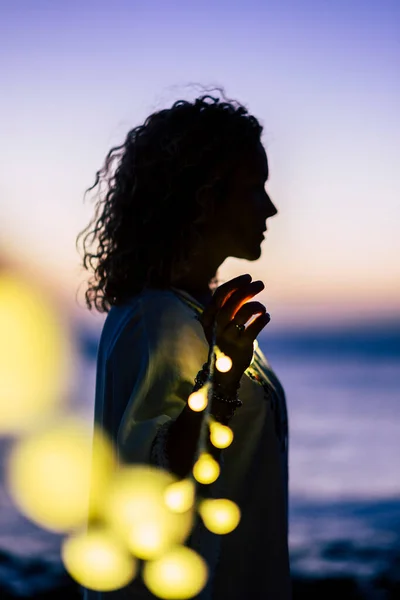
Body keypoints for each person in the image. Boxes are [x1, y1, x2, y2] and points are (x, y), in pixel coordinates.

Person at [77, 88, 291, 599]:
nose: (271, 208)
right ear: (203, 196)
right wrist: (222, 375)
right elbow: (159, 474)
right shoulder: (159, 319)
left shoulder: (196, 313)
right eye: (254, 188)